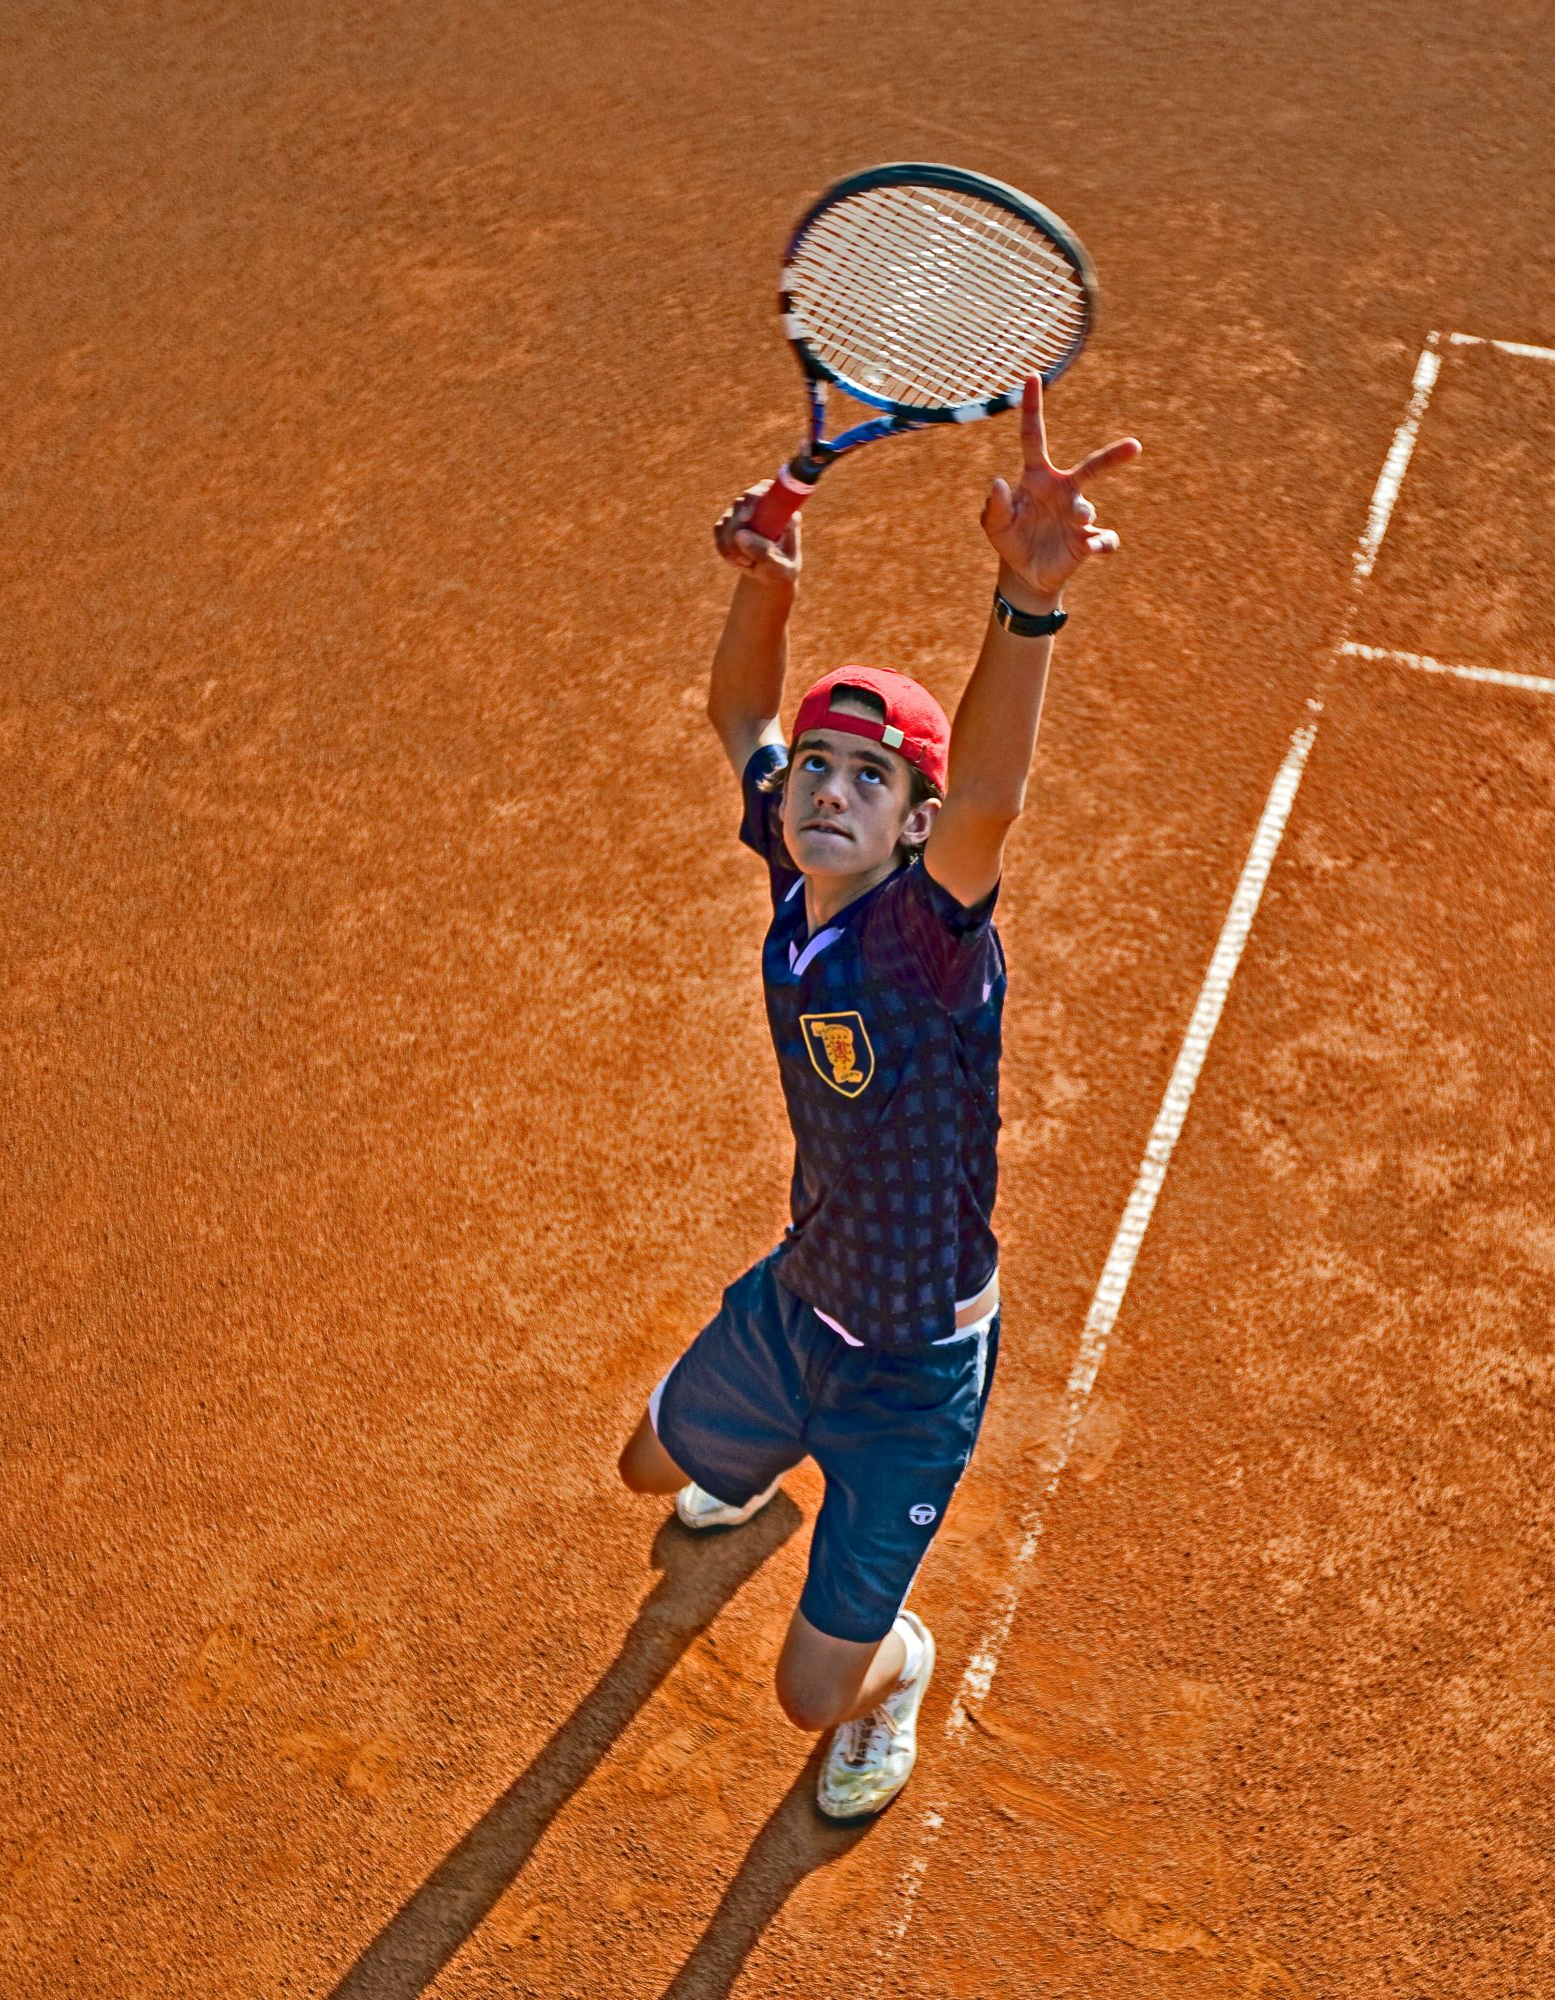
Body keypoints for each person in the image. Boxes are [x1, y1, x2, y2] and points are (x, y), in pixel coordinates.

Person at [619, 374, 1139, 1820]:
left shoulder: (926, 935)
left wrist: (1026, 603)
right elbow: (738, 706)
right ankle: (760, 1450)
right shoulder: (800, 869)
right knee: (648, 1468)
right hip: (803, 1303)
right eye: (818, 767)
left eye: (869, 778)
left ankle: (896, 1671)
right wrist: (767, 583)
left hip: (912, 1374)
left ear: (913, 824)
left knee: (809, 1692)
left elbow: (990, 802)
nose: (828, 791)